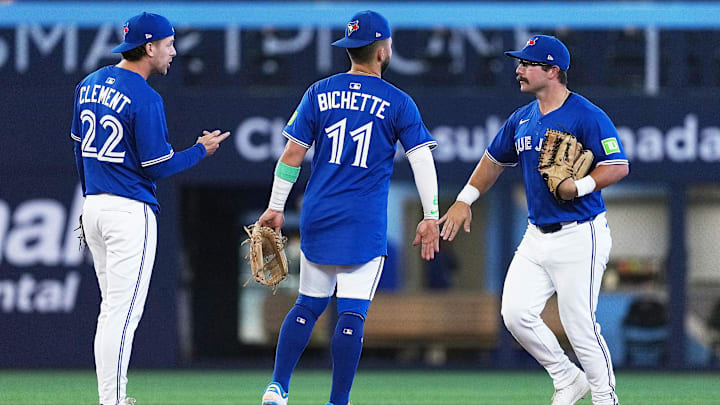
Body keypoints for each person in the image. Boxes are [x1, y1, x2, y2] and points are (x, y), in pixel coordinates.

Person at [257, 10, 439, 405]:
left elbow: (291, 153)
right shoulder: (398, 101)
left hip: (318, 212)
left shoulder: (318, 91)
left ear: (350, 49)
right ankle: (338, 401)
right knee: (352, 314)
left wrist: (275, 207)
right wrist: (430, 215)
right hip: (363, 218)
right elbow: (421, 158)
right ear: (383, 50)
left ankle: (278, 387)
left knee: (307, 304)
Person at [439, 35, 628, 405]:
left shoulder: (586, 114)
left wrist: (581, 185)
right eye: (520, 63)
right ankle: (567, 377)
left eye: (527, 64)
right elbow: (492, 161)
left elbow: (618, 165)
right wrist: (464, 199)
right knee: (515, 313)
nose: (519, 70)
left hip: (580, 233)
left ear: (552, 70)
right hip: (537, 234)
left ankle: (606, 398)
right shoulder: (521, 119)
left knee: (579, 325)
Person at [69, 12, 230, 405]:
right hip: (128, 211)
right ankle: (112, 400)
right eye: (169, 44)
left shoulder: (88, 84)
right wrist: (200, 150)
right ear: (149, 46)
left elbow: (79, 148)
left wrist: (91, 196)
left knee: (112, 313)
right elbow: (158, 166)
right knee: (121, 316)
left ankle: (113, 397)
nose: (173, 51)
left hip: (94, 206)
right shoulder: (144, 96)